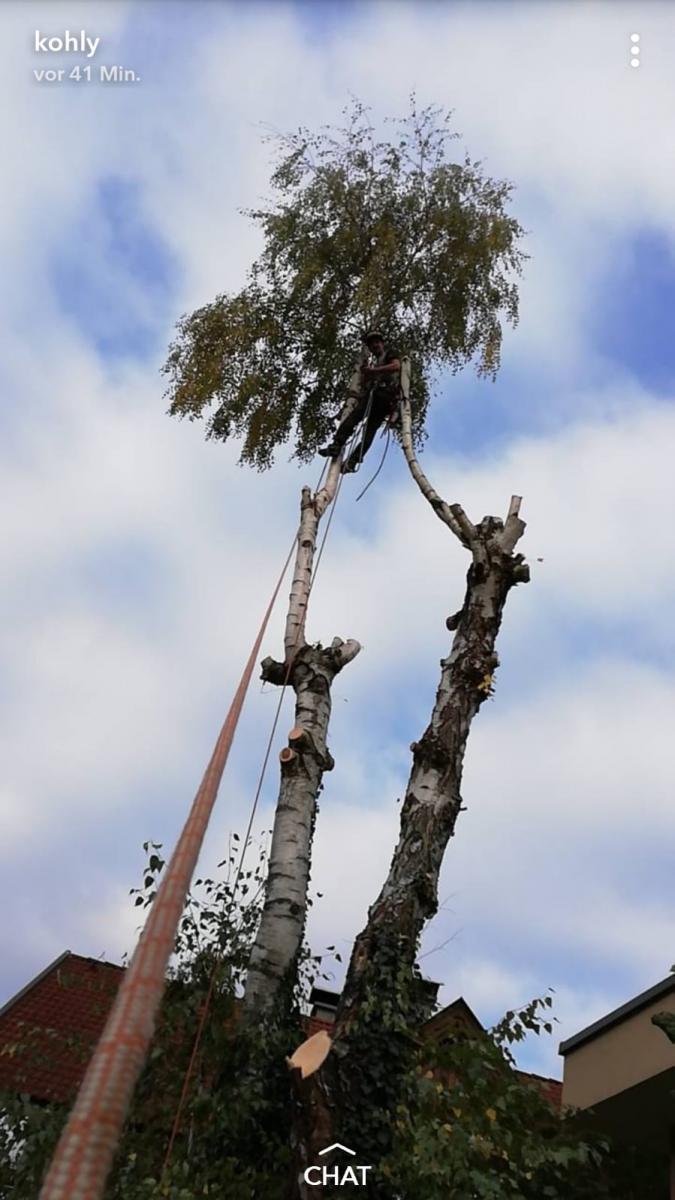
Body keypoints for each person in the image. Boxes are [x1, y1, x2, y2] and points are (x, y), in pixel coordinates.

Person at [318, 331, 402, 472]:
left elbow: (396, 366)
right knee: (352, 420)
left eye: (377, 342)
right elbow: (366, 385)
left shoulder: (389, 354)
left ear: (382, 343)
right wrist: (365, 377)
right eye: (372, 344)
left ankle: (352, 459)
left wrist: (373, 371)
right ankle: (337, 447)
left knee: (366, 429)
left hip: (384, 397)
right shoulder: (375, 363)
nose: (375, 345)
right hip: (374, 396)